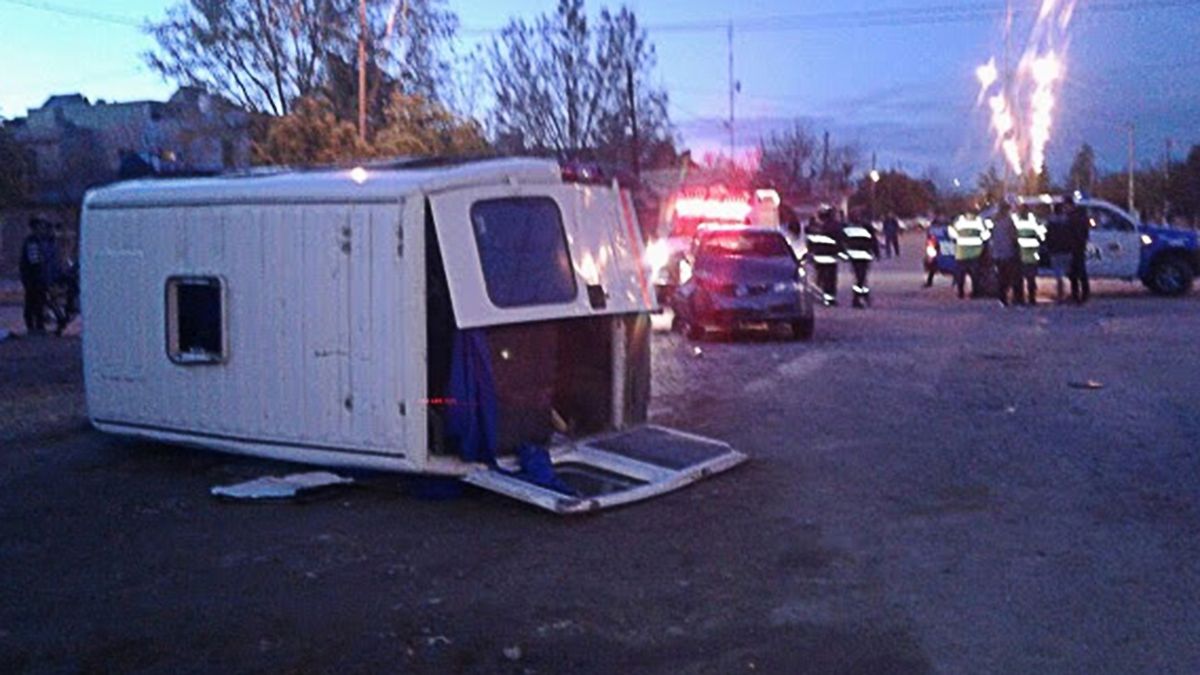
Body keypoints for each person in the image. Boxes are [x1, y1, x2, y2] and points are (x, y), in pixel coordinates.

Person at [19, 218, 51, 334]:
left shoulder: (35, 241)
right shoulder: (32, 241)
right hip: (33, 278)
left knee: (36, 302)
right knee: (34, 302)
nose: (41, 229)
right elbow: (34, 261)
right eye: (39, 227)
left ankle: (36, 326)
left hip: (34, 277)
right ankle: (34, 327)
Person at [806, 206, 843, 306]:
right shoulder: (834, 226)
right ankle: (829, 299)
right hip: (830, 256)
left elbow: (810, 242)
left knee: (820, 277)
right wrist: (841, 252)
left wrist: (810, 253)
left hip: (819, 256)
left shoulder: (814, 227)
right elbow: (839, 241)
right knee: (830, 279)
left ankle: (819, 296)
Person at [842, 212, 879, 308]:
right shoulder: (867, 227)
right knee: (861, 277)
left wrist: (844, 253)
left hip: (854, 256)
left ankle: (862, 295)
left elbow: (843, 241)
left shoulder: (848, 228)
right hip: (863, 256)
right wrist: (876, 252)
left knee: (860, 277)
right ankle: (857, 298)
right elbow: (873, 241)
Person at [990, 202, 1022, 306]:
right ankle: (1015, 298)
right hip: (1008, 253)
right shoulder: (1009, 221)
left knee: (1001, 276)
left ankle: (1002, 297)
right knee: (1010, 276)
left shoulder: (994, 221)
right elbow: (1014, 236)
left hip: (997, 253)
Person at [950, 213, 987, 299]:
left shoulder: (959, 221)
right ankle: (974, 293)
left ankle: (961, 293)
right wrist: (981, 240)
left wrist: (957, 239)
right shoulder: (979, 221)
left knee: (961, 275)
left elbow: (951, 232)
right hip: (975, 252)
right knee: (974, 275)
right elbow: (986, 234)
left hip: (962, 252)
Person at [1015, 207, 1045, 305]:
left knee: (1019, 278)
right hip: (1032, 254)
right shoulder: (1034, 222)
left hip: (1020, 254)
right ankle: (1032, 298)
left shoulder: (1017, 222)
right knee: (1031, 278)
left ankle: (1020, 298)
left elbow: (1012, 236)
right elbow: (1042, 236)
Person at [1065, 195, 1091, 304]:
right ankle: (1082, 294)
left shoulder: (1073, 217)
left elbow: (1073, 233)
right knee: (1077, 272)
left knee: (1076, 272)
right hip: (1079, 246)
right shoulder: (1080, 215)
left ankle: (1078, 295)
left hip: (1076, 247)